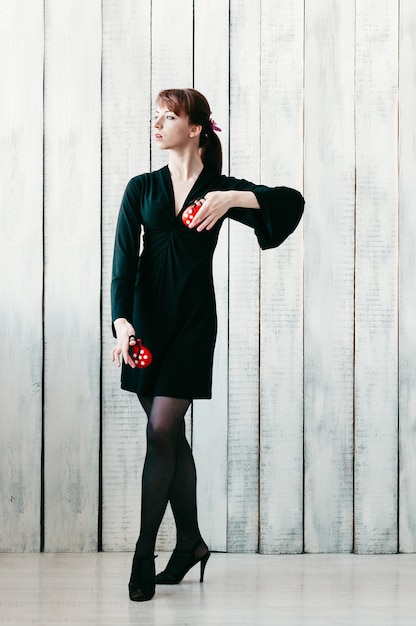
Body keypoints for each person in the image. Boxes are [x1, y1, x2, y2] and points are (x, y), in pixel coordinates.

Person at [110, 88, 304, 602]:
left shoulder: (218, 189)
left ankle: (144, 551)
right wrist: (122, 324)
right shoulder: (140, 187)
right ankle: (192, 542)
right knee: (169, 439)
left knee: (161, 430)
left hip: (193, 325)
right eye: (154, 115)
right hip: (146, 327)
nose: (157, 124)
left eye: (168, 116)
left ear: (195, 128)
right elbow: (123, 261)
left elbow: (292, 202)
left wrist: (232, 199)